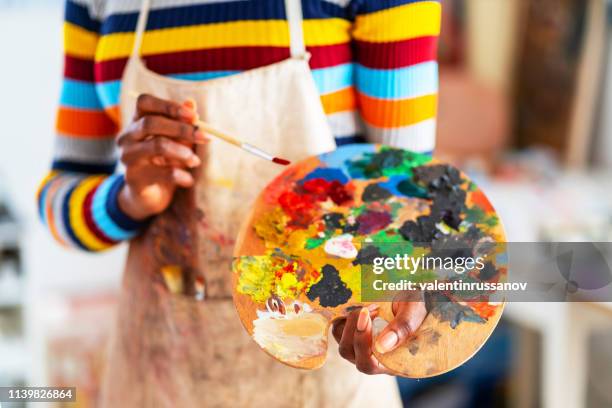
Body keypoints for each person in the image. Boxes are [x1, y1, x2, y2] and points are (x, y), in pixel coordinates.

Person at [37, 0, 440, 406]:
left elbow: (411, 209)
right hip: (162, 372)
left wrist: (398, 308)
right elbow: (58, 197)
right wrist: (127, 199)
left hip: (324, 374)